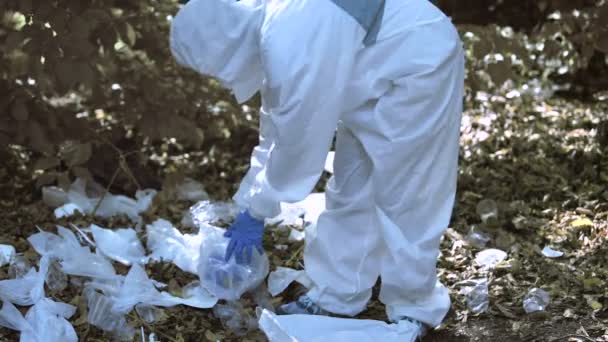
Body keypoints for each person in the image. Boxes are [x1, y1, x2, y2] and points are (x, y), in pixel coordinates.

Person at [170, 0, 464, 339]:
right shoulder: (274, 27)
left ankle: (415, 306)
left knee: (408, 192)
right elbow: (277, 126)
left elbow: (298, 141)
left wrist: (258, 210)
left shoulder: (288, 35)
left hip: (419, 64)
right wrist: (251, 202)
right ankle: (337, 294)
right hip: (373, 70)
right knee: (352, 186)